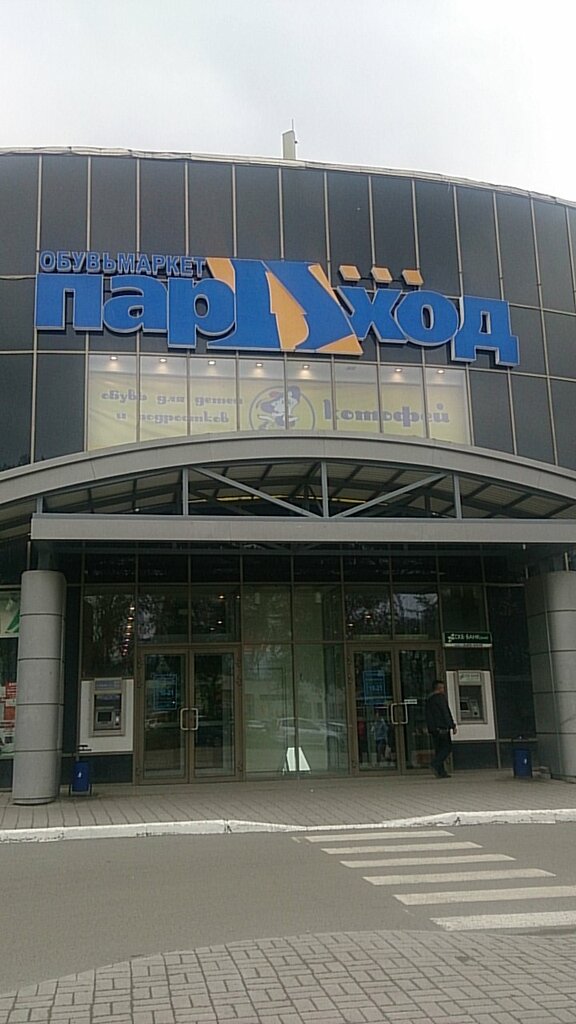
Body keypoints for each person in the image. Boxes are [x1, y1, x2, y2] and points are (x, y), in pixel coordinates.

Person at [425, 679, 457, 778]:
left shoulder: (429, 699)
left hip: (434, 729)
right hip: (442, 728)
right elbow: (445, 712)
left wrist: (430, 728)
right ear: (439, 688)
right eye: (442, 688)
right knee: (447, 748)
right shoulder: (441, 698)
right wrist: (452, 725)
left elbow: (428, 715)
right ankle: (435, 764)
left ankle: (441, 771)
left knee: (439, 749)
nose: (444, 690)